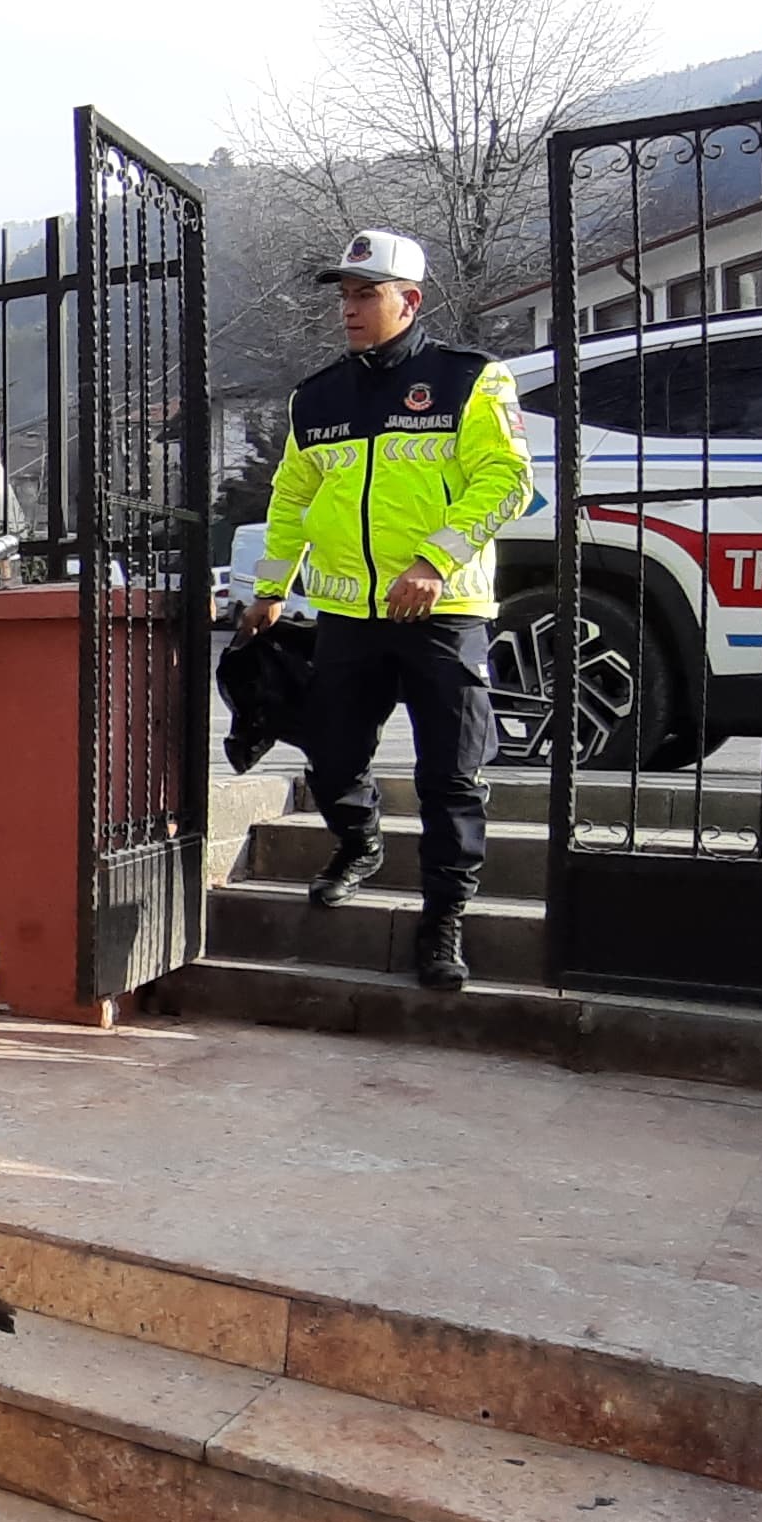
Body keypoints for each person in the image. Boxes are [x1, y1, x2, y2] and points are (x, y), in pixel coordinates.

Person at [238, 229, 533, 990]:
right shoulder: (320, 395)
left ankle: (444, 923)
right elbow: (291, 501)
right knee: (332, 755)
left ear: (411, 300)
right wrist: (271, 589)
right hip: (348, 619)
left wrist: (434, 561)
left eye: (366, 294)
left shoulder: (472, 380)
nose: (350, 309)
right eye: (345, 295)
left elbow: (505, 481)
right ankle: (359, 841)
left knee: (451, 777)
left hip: (445, 612)